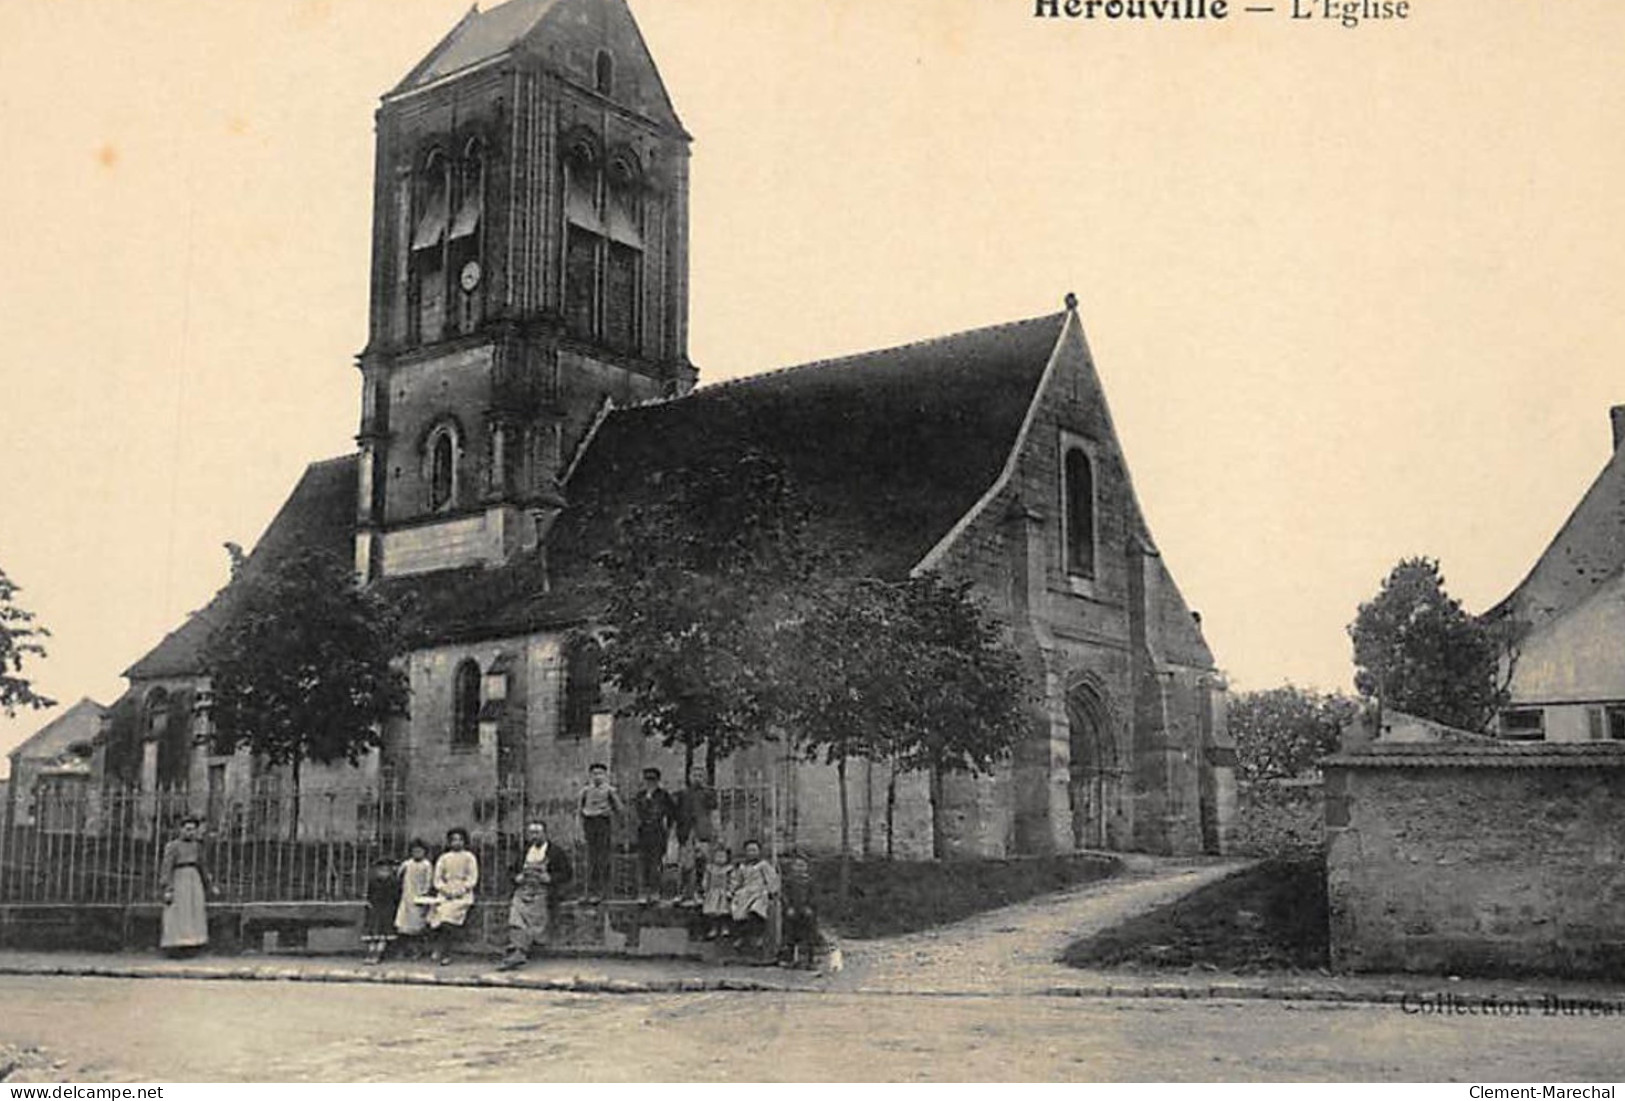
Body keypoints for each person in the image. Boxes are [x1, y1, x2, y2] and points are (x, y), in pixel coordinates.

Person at [497, 819, 573, 971]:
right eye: (531, 833)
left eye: (537, 832)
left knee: (534, 920)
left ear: (545, 833)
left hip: (543, 892)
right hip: (523, 891)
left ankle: (519, 951)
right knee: (516, 917)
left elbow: (567, 873)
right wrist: (516, 877)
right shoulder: (525, 851)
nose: (534, 836)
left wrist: (550, 878)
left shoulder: (555, 852)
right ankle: (517, 952)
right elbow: (511, 871)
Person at [158, 815, 214, 957]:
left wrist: (210, 884)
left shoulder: (198, 847)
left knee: (194, 911)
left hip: (194, 879)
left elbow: (203, 866)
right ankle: (176, 945)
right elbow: (167, 867)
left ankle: (193, 944)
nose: (190, 833)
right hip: (179, 878)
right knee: (178, 911)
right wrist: (168, 888)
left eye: (193, 830)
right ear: (181, 829)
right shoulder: (172, 846)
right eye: (187, 829)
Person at [426, 827, 479, 965]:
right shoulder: (444, 858)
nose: (457, 843)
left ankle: (446, 952)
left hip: (463, 894)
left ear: (465, 841)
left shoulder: (469, 857)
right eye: (453, 840)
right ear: (449, 842)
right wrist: (444, 889)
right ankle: (438, 947)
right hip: (445, 892)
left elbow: (472, 878)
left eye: (460, 840)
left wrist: (461, 890)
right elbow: (437, 879)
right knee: (436, 914)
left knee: (447, 917)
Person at [577, 763, 621, 903]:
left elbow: (619, 808)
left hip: (603, 823)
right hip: (589, 823)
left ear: (605, 775)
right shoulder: (585, 791)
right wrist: (579, 828)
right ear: (590, 775)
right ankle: (589, 892)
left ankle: (603, 892)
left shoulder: (609, 790)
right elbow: (579, 810)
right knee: (590, 859)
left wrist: (609, 812)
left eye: (600, 773)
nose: (597, 776)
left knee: (603, 858)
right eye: (594, 773)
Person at [673, 766, 717, 905]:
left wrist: (714, 830)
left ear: (704, 778)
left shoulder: (709, 793)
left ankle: (700, 891)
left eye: (700, 775)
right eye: (694, 775)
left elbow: (714, 812)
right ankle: (682, 892)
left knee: (701, 861)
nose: (697, 778)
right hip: (686, 831)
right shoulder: (682, 794)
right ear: (689, 777)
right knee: (685, 864)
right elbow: (676, 813)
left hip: (702, 831)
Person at [632, 767, 676, 903]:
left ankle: (655, 891)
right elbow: (636, 813)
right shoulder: (640, 796)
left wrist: (668, 828)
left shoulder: (663, 795)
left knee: (656, 863)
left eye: (653, 780)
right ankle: (643, 892)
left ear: (658, 781)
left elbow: (671, 813)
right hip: (643, 831)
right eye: (647, 780)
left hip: (658, 831)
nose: (650, 783)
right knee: (643, 862)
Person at [729, 839, 780, 954]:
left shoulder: (763, 865)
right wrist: (733, 889)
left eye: (754, 850)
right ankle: (740, 937)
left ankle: (757, 937)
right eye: (749, 850)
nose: (751, 853)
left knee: (756, 910)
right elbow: (737, 880)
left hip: (759, 892)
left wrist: (771, 890)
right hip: (745, 892)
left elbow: (772, 879)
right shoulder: (742, 867)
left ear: (759, 851)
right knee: (738, 910)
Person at [778, 853, 820, 969]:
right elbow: (784, 896)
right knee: (790, 933)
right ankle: (790, 958)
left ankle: (809, 960)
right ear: (792, 867)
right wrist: (788, 907)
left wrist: (809, 907)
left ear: (807, 867)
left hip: (806, 911)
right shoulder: (788, 881)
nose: (799, 868)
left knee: (809, 934)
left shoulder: (810, 881)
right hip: (792, 910)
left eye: (802, 866)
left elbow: (814, 896)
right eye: (797, 865)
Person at [394, 838, 434, 959]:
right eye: (414, 851)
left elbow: (428, 880)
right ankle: (404, 949)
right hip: (407, 896)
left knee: (417, 926)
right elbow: (398, 875)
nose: (417, 853)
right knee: (403, 925)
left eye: (420, 851)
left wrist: (424, 892)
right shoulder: (407, 864)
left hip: (419, 897)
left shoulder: (426, 865)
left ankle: (417, 950)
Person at [362, 857, 401, 964]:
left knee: (384, 933)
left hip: (387, 909)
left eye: (386, 870)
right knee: (373, 931)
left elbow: (396, 896)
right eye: (380, 870)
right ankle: (370, 952)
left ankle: (378, 953)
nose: (383, 872)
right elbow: (369, 895)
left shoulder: (393, 881)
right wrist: (369, 903)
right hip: (375, 908)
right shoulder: (373, 881)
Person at [700, 845, 733, 941]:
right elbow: (706, 880)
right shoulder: (710, 869)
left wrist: (730, 891)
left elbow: (732, 880)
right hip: (712, 892)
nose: (720, 859)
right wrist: (705, 889)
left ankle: (724, 928)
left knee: (724, 912)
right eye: (717, 856)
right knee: (713, 912)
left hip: (723, 892)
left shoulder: (728, 869)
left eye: (722, 857)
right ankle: (713, 928)